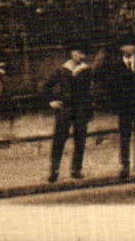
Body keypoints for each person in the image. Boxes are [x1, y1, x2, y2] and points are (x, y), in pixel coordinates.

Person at [99, 38, 135, 180]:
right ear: (121, 49)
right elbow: (110, 87)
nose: (129, 48)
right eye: (126, 46)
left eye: (131, 45)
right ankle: (125, 164)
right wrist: (115, 104)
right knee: (125, 136)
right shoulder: (115, 65)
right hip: (124, 107)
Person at [44, 44, 94, 183]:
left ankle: (76, 170)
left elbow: (90, 92)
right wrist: (52, 101)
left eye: (83, 54)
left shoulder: (86, 70)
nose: (81, 56)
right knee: (59, 140)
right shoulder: (61, 70)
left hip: (81, 109)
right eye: (78, 52)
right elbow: (45, 87)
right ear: (72, 53)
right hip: (65, 109)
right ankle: (54, 171)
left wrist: (88, 110)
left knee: (80, 140)